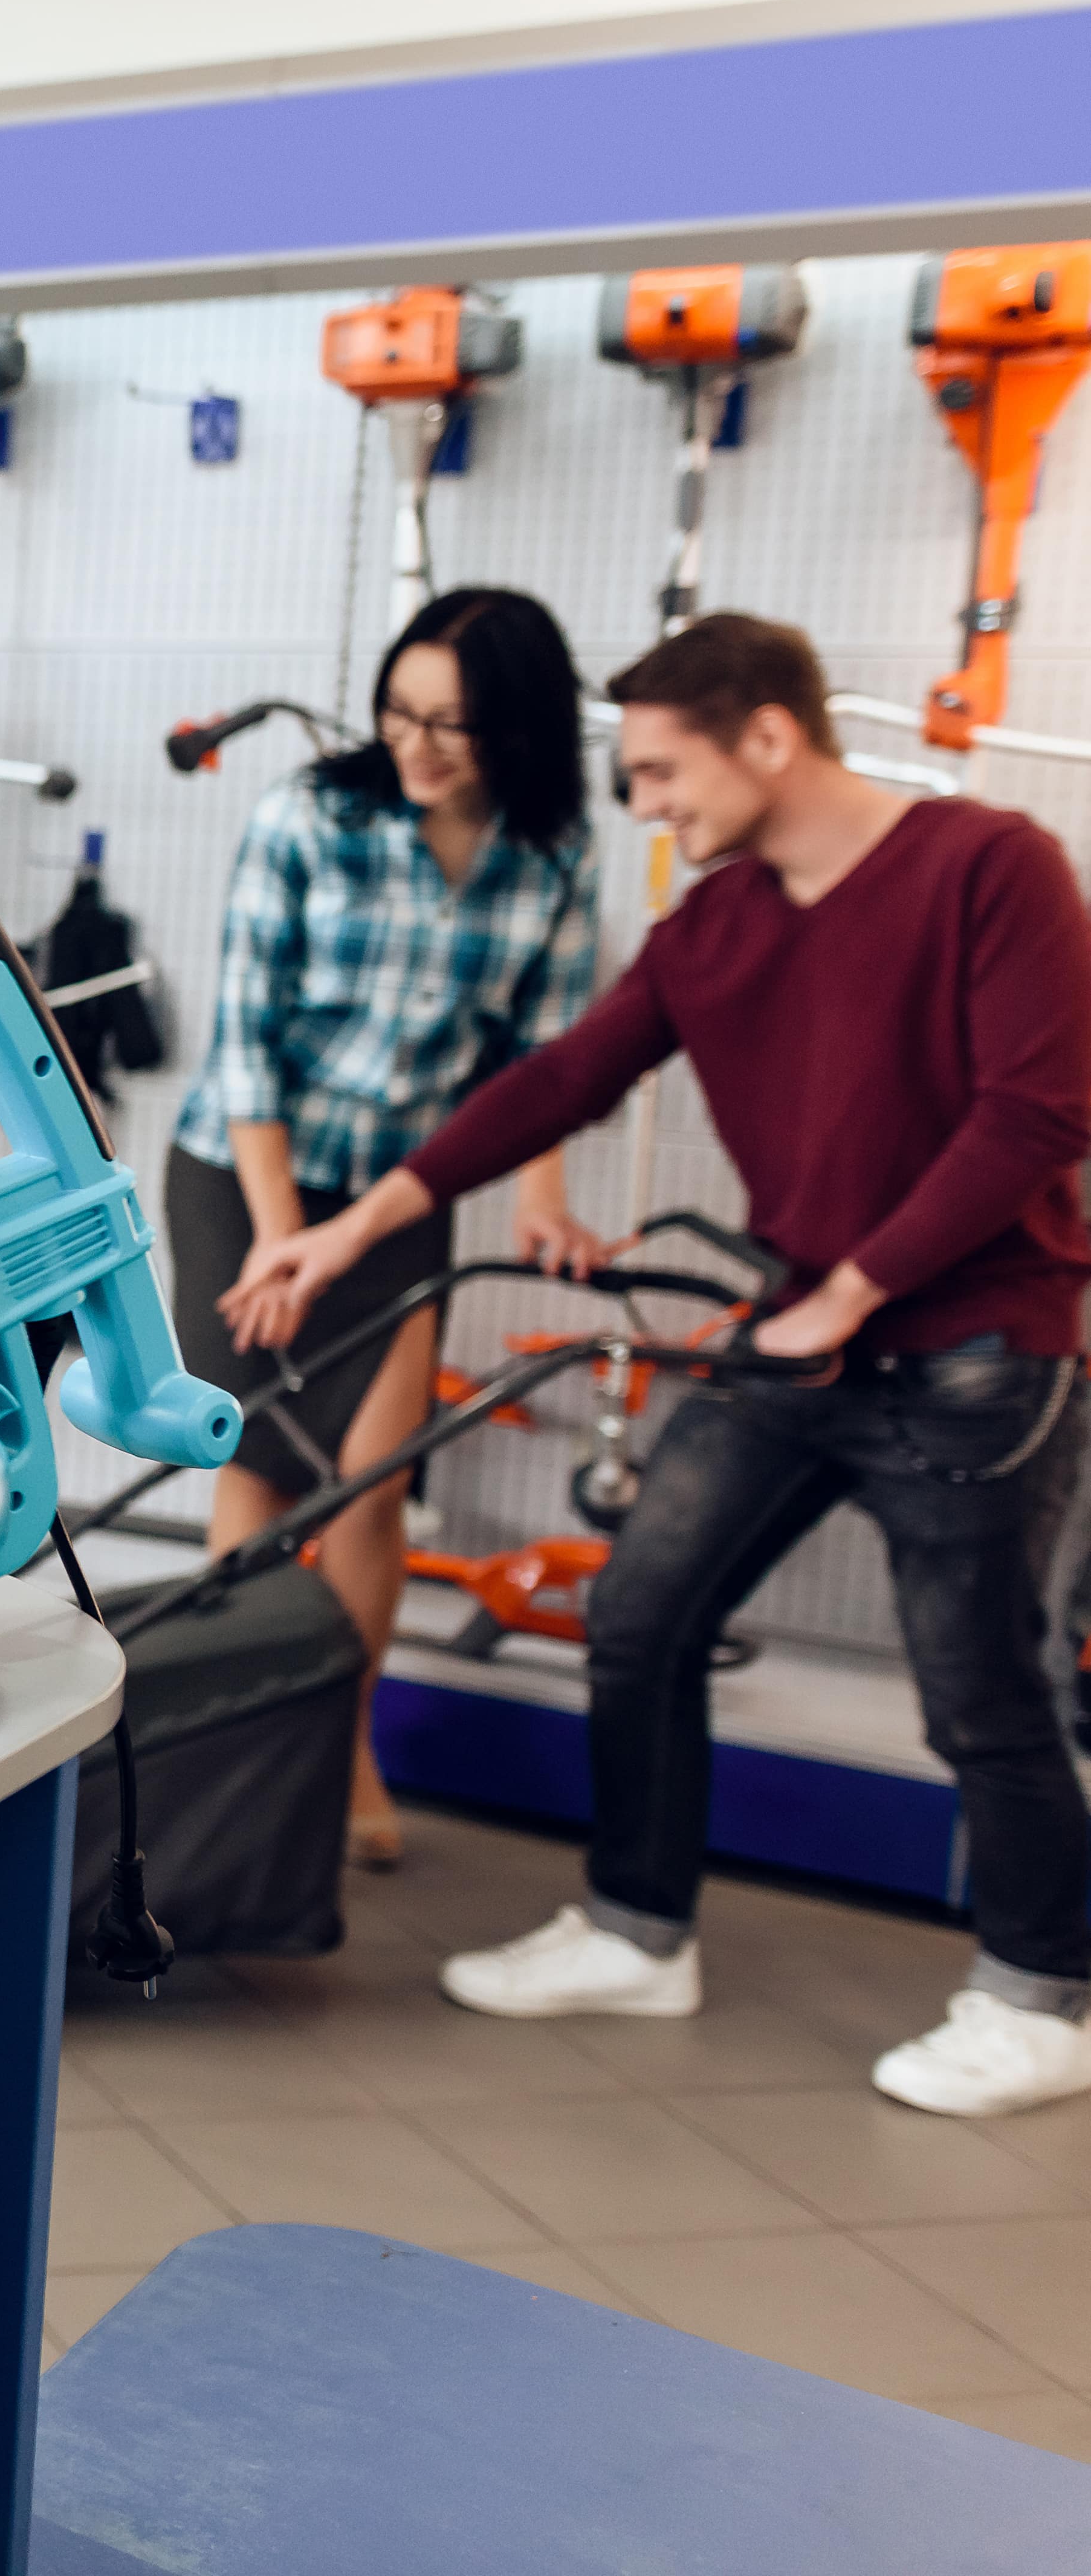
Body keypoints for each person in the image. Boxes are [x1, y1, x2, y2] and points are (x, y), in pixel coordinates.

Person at [233, 613, 1091, 2117]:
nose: (640, 808)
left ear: (766, 735)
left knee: (977, 1688)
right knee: (637, 1612)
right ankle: (638, 1929)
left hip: (971, 1347)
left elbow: (1035, 1114)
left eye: (656, 770)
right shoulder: (718, 924)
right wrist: (349, 1224)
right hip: (803, 1334)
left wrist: (852, 1288)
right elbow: (559, 1078)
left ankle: (1036, 1997)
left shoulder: (988, 865)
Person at [167, 586, 601, 1869]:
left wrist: (536, 1200)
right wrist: (272, 1236)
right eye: (398, 714)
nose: (413, 745)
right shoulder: (307, 815)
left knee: (371, 1481)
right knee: (256, 1462)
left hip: (400, 1195)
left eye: (450, 726)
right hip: (245, 1177)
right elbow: (240, 1050)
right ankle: (234, 1747)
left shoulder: (554, 854)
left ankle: (338, 1742)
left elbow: (544, 1063)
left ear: (516, 730)